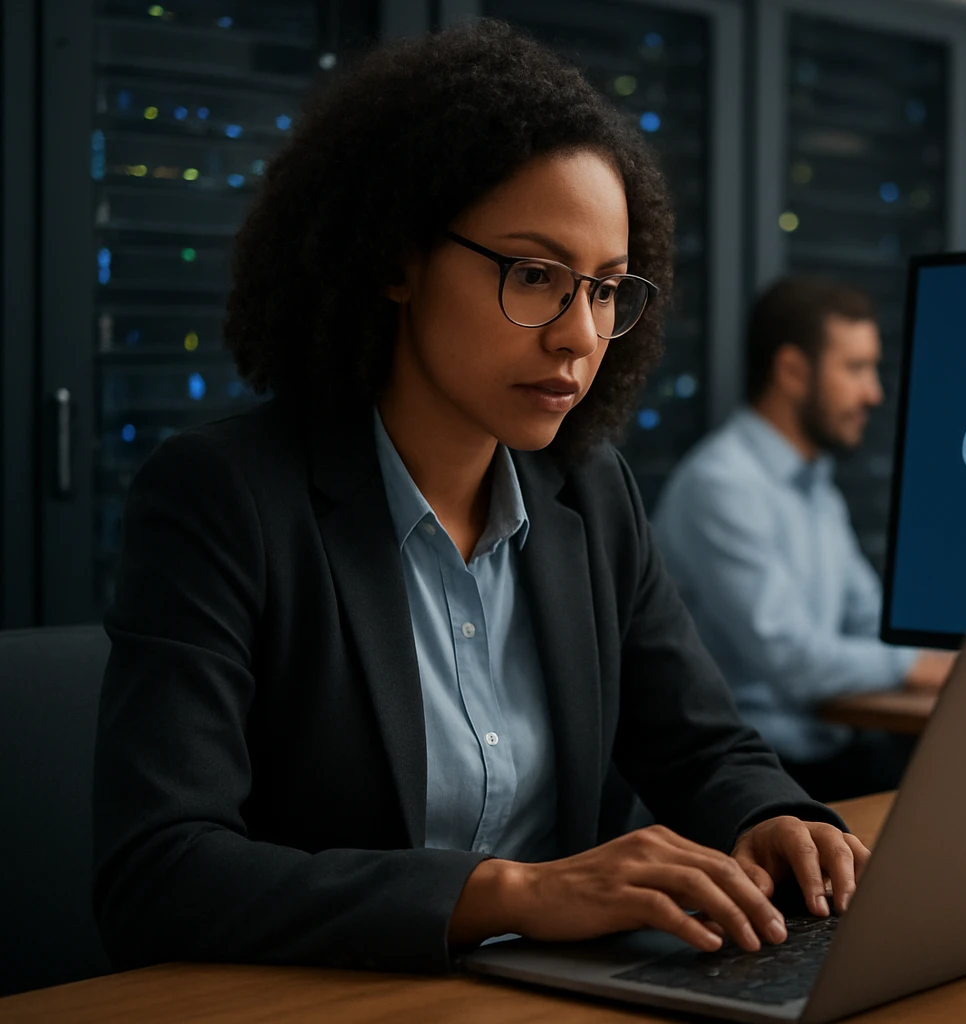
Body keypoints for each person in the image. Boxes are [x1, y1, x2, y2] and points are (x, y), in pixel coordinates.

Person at [91, 22, 868, 976]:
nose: (580, 337)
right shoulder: (224, 499)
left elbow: (704, 746)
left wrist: (777, 816)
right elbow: (160, 873)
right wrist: (513, 892)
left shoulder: (590, 491)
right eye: (535, 276)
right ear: (396, 260)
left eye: (609, 290)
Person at [652, 279, 954, 803]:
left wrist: (939, 656)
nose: (874, 393)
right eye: (856, 368)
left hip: (828, 754)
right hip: (749, 770)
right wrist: (915, 665)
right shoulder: (721, 485)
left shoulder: (814, 486)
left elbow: (868, 618)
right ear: (793, 370)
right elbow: (794, 661)